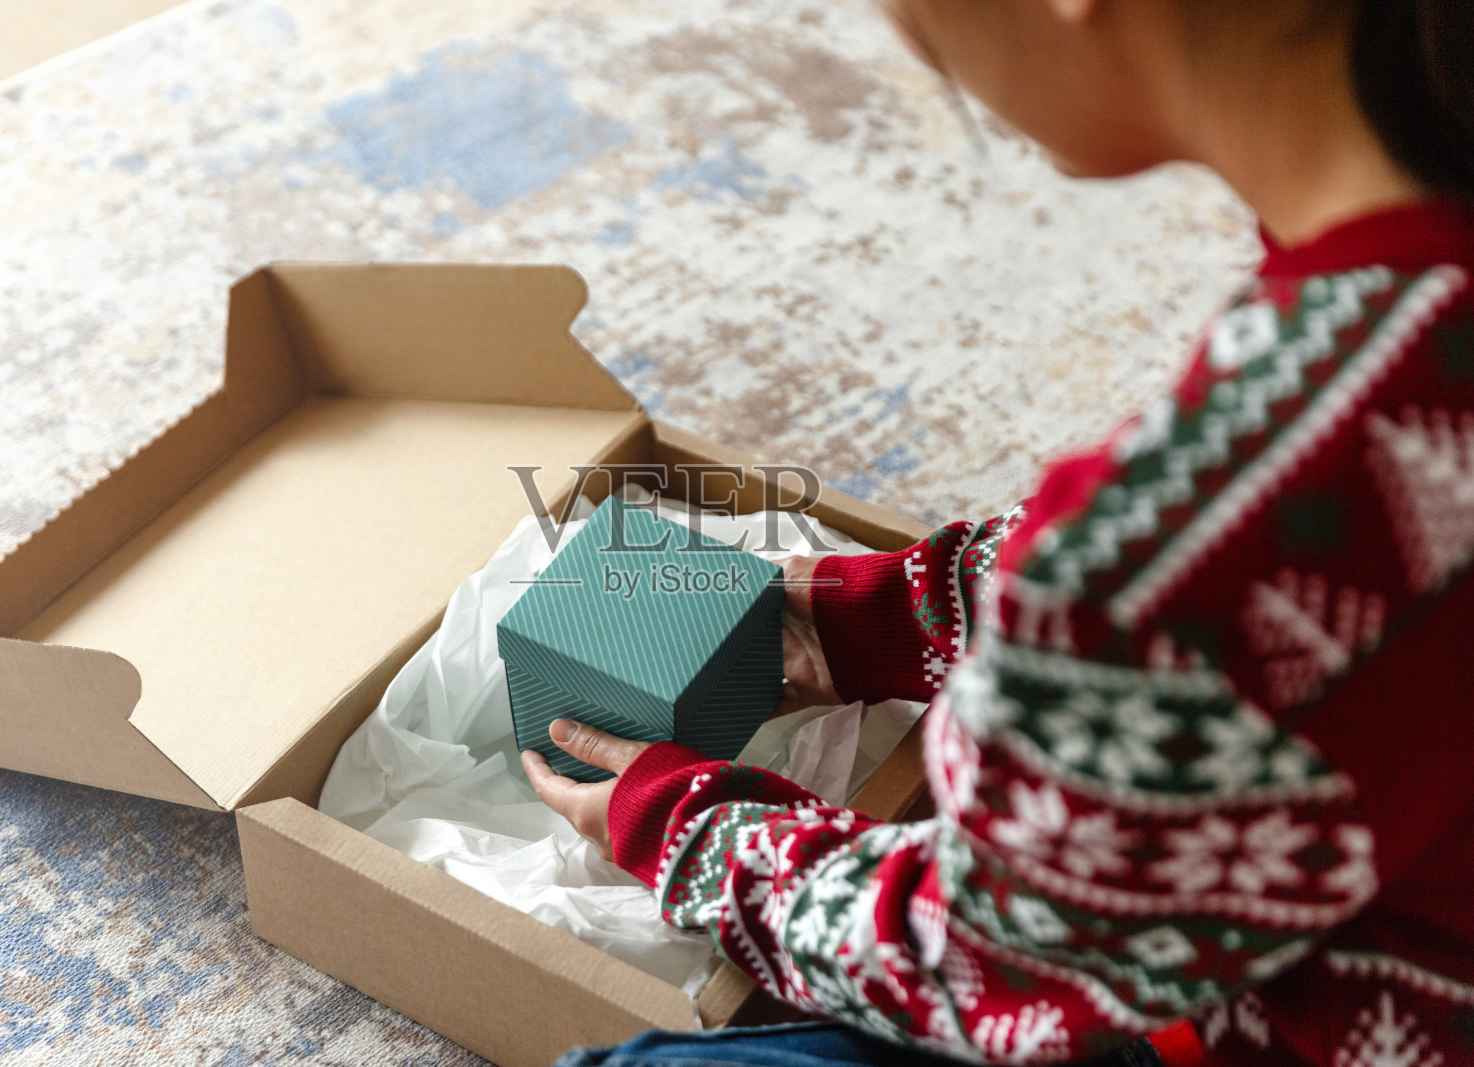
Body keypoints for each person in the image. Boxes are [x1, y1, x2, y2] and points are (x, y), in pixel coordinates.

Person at [520, 0, 1474, 1062]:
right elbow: (1288, 585)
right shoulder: (1399, 313)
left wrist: (684, 830)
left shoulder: (1201, 531)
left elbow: (974, 960)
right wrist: (882, 616)